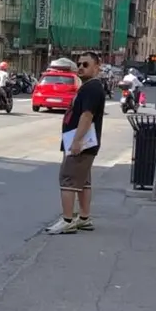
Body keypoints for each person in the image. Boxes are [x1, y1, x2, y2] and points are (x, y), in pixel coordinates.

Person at [46, 51, 106, 234]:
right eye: (79, 64)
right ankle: (84, 218)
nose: (80, 67)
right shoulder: (89, 87)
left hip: (82, 142)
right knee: (83, 181)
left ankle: (67, 220)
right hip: (84, 142)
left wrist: (77, 141)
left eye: (86, 64)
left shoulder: (91, 88)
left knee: (68, 180)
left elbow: (87, 116)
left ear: (97, 67)